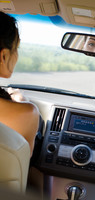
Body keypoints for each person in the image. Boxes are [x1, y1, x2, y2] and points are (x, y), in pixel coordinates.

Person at [0, 11, 39, 156]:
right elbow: (22, 164)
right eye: (16, 49)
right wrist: (21, 102)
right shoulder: (26, 113)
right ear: (3, 56)